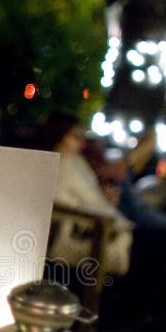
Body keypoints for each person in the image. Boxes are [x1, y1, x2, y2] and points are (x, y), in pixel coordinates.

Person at [36, 108, 133, 277]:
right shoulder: (56, 166)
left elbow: (87, 198)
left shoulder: (75, 162)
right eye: (74, 137)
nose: (81, 143)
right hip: (84, 235)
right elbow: (64, 206)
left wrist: (104, 198)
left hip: (101, 224)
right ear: (58, 136)